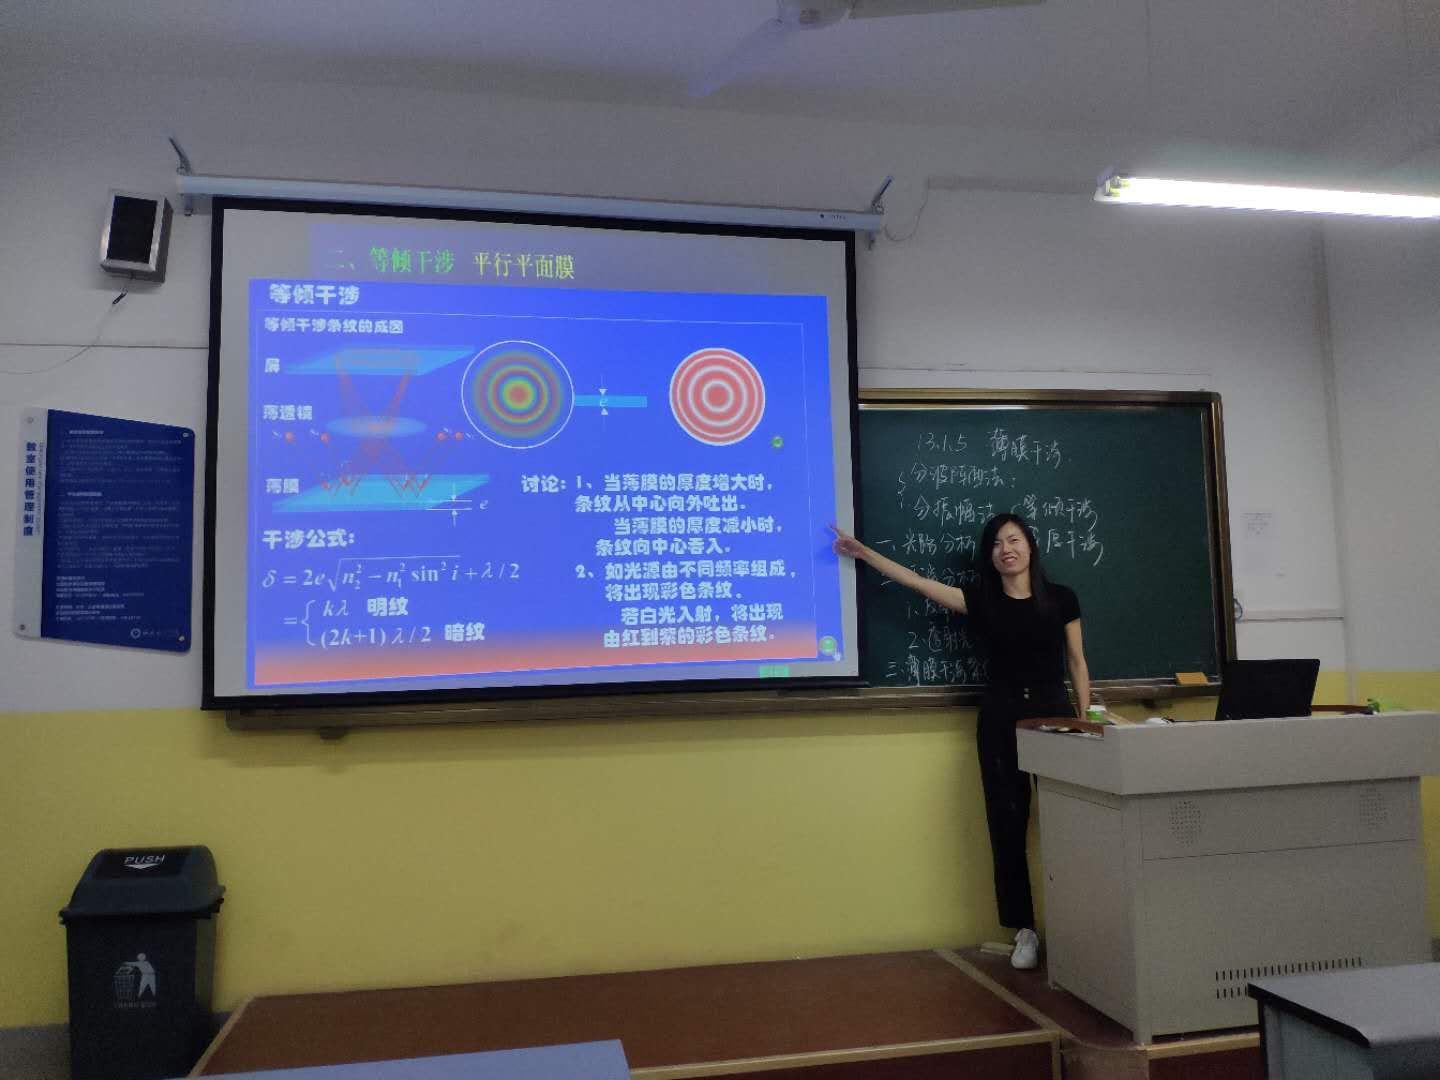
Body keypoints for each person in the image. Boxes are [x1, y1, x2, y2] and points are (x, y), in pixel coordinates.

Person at [830, 513, 1090, 970]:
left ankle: (1082, 927)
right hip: (1001, 718)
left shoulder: (1062, 598)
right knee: (1007, 825)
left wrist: (1086, 720)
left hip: (1055, 717)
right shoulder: (981, 600)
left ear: (1030, 546)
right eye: (997, 543)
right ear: (990, 555)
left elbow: (1077, 662)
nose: (1007, 549)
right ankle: (1024, 931)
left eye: (1014, 540)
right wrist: (864, 553)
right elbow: (917, 582)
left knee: (1070, 822)